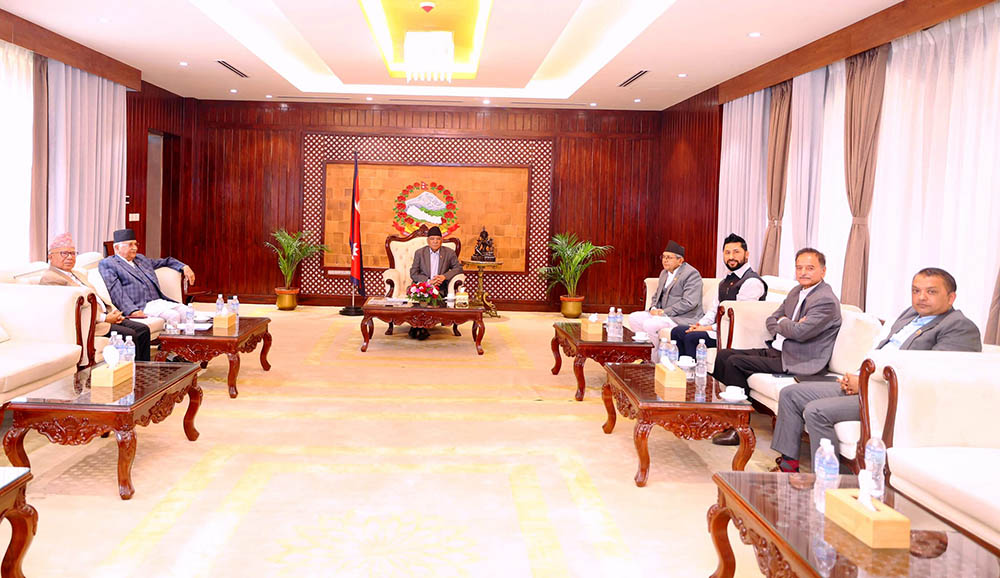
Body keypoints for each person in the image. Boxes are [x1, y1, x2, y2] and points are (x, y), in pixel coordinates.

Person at [770, 268, 982, 472]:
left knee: (816, 411)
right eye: (916, 290)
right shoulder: (911, 314)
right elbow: (883, 350)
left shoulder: (959, 327)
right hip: (868, 384)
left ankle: (832, 482)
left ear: (951, 297)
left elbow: (929, 378)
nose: (921, 297)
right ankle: (788, 467)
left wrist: (866, 382)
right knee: (790, 394)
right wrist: (857, 376)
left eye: (931, 291)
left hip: (891, 398)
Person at [711, 248, 842, 446]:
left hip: (798, 359)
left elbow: (800, 333)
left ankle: (739, 429)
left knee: (735, 362)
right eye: (799, 268)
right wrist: (787, 323)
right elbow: (771, 319)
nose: (803, 272)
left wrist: (786, 323)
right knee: (723, 355)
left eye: (810, 268)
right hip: (778, 350)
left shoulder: (825, 300)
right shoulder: (796, 291)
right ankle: (724, 417)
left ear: (823, 271)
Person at [39, 233, 151, 361]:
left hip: (105, 315)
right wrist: (105, 318)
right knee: (130, 334)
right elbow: (71, 310)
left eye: (73, 253)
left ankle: (144, 369)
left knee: (143, 329)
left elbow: (97, 297)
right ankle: (133, 370)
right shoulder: (51, 278)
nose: (70, 257)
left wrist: (113, 311)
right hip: (91, 323)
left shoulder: (77, 273)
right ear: (50, 256)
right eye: (64, 253)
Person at [668, 233, 767, 358]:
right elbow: (714, 309)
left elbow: (738, 319)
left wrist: (708, 328)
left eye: (736, 252)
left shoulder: (752, 282)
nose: (731, 257)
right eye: (727, 253)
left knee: (691, 338)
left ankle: (693, 370)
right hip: (719, 330)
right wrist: (700, 325)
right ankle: (680, 369)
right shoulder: (724, 281)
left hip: (736, 334)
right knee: (677, 332)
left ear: (746, 254)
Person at [97, 229, 196, 326]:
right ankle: (173, 338)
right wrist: (132, 310)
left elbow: (165, 261)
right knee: (173, 315)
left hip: (158, 301)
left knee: (187, 312)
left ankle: (188, 337)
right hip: (141, 305)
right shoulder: (109, 263)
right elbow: (116, 292)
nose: (135, 248)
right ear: (117, 248)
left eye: (135, 244)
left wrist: (184, 267)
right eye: (130, 245)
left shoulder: (140, 259)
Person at [627, 240, 704, 337]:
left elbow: (689, 303)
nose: (665, 260)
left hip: (683, 317)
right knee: (634, 318)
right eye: (663, 257)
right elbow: (656, 295)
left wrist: (664, 312)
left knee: (650, 324)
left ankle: (654, 347)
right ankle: (644, 345)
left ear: (680, 261)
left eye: (669, 257)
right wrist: (653, 308)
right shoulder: (664, 273)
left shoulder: (691, 274)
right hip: (662, 314)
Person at [408, 226, 461, 340]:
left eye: (438, 239)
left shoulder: (449, 253)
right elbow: (413, 273)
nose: (435, 241)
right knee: (421, 297)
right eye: (432, 239)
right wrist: (428, 281)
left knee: (432, 298)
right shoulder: (420, 253)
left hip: (439, 288)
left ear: (441, 240)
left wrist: (444, 276)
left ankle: (420, 327)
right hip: (423, 286)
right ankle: (418, 326)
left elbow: (458, 268)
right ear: (428, 241)